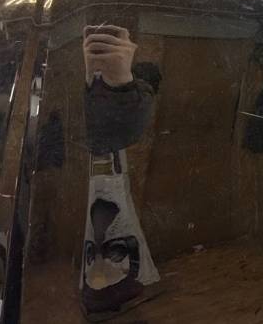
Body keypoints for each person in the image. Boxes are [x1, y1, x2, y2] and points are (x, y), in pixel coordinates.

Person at [80, 25, 162, 322]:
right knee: (100, 237)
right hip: (94, 180)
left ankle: (111, 289)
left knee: (116, 235)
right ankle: (101, 290)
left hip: (112, 174)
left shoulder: (136, 95)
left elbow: (127, 127)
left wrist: (120, 84)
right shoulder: (77, 88)